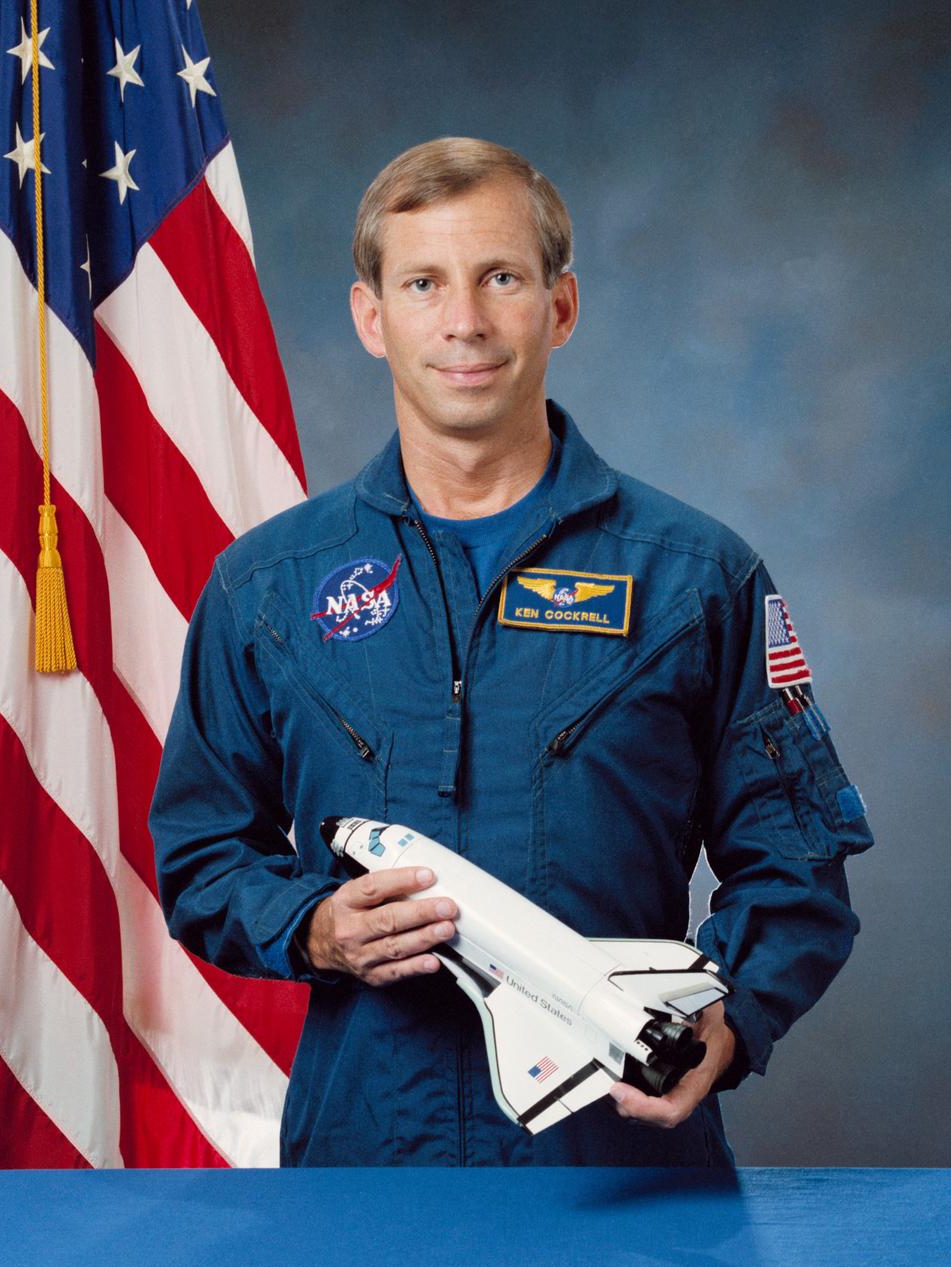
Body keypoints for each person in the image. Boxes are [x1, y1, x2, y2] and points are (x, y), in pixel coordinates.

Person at [150, 137, 873, 1167]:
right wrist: (311, 926)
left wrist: (732, 1011)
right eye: (422, 282)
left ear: (560, 306)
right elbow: (204, 851)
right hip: (366, 1162)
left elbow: (798, 857)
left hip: (620, 1158)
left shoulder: (696, 578)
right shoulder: (267, 587)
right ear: (372, 316)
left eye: (500, 277)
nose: (464, 322)